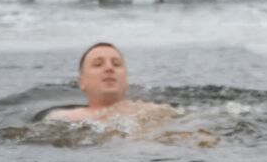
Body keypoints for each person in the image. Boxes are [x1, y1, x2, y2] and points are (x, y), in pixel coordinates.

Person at [41, 42, 173, 124]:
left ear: (126, 80)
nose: (109, 68)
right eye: (98, 64)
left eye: (116, 64)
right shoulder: (62, 118)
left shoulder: (154, 112)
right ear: (82, 82)